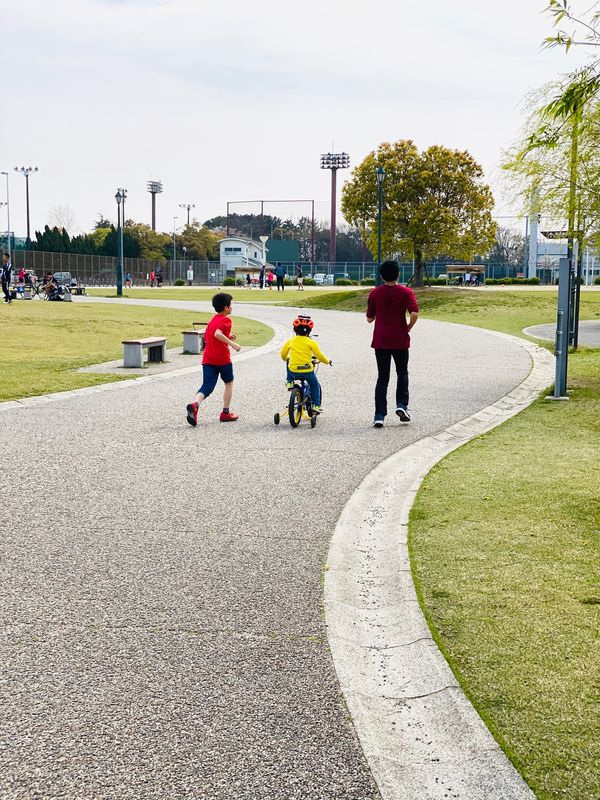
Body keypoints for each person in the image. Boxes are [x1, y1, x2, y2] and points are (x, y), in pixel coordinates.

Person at [366, 260, 419, 428]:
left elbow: (369, 319)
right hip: (400, 340)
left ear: (381, 276)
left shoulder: (375, 293)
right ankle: (402, 405)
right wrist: (408, 327)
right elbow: (415, 313)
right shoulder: (406, 292)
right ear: (398, 274)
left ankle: (379, 415)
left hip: (381, 341)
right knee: (402, 373)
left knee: (383, 377)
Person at [186, 292, 241, 426]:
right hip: (222, 358)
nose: (232, 306)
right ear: (226, 308)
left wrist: (228, 335)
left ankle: (195, 404)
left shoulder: (212, 320)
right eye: (231, 304)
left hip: (208, 358)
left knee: (207, 386)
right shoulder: (227, 320)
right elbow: (218, 334)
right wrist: (232, 344)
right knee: (229, 382)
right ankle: (225, 413)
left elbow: (211, 334)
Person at [280, 314, 331, 414]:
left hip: (293, 371)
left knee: (288, 360)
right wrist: (328, 361)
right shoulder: (311, 342)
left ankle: (289, 381)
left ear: (294, 329)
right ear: (309, 331)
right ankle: (316, 405)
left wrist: (286, 359)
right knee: (315, 385)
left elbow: (282, 354)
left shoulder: (291, 341)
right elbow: (320, 356)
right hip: (307, 371)